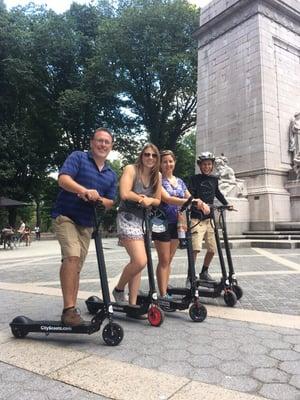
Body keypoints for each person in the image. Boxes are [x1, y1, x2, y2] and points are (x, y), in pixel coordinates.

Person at [51, 127, 116, 326]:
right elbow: (63, 179)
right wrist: (83, 190)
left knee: (76, 265)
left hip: (87, 223)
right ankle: (68, 310)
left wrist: (98, 199)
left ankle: (71, 308)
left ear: (111, 146)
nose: (103, 144)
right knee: (72, 256)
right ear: (91, 142)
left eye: (107, 142)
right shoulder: (78, 157)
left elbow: (111, 201)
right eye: (99, 140)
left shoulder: (111, 174)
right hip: (66, 216)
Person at [113, 143, 161, 310]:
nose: (150, 158)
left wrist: (149, 200)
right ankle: (119, 289)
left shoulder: (157, 176)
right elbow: (125, 193)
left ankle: (132, 304)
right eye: (147, 154)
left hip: (143, 221)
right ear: (141, 156)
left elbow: (158, 200)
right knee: (141, 261)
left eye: (154, 156)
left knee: (137, 262)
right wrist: (142, 199)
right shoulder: (131, 169)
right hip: (127, 217)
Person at [152, 150, 205, 298]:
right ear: (160, 164)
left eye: (170, 161)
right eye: (164, 161)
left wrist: (202, 204)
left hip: (177, 223)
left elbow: (190, 197)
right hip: (160, 222)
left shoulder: (180, 181)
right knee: (163, 260)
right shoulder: (158, 180)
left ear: (174, 162)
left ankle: (164, 287)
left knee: (169, 259)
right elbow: (167, 199)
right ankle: (162, 295)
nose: (168, 164)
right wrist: (191, 201)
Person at [188, 151, 231, 283]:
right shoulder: (194, 179)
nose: (206, 167)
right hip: (197, 219)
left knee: (212, 249)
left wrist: (227, 204)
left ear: (212, 166)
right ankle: (191, 275)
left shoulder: (214, 179)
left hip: (210, 219)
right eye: (204, 164)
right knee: (195, 248)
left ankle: (204, 272)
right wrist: (198, 203)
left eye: (209, 164)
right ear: (200, 166)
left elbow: (217, 193)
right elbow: (191, 195)